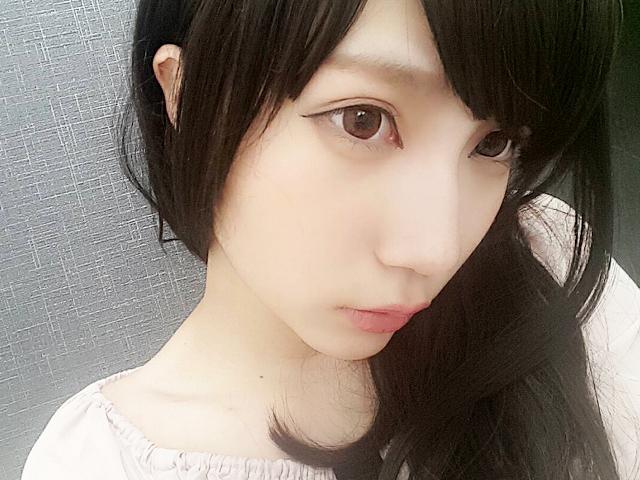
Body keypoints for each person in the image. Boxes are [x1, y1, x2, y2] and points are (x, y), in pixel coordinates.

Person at [21, 0, 640, 479]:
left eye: (494, 144)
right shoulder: (98, 463)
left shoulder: (549, 255)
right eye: (362, 120)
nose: (435, 250)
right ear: (185, 91)